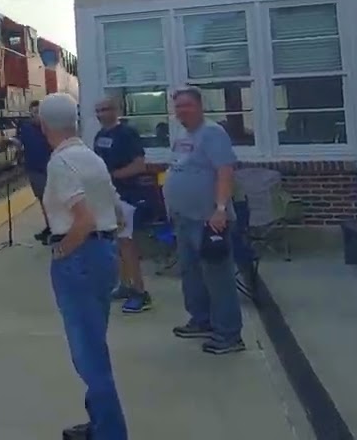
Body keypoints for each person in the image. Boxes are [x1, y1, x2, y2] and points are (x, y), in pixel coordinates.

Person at [37, 92, 129, 440]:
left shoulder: (61, 163)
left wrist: (61, 252)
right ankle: (100, 424)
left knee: (89, 358)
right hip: (104, 255)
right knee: (94, 347)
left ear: (44, 126)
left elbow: (84, 219)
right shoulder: (90, 156)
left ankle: (110, 433)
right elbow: (116, 212)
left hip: (80, 260)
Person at [162, 86, 245, 355]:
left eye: (187, 105)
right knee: (191, 273)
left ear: (200, 107)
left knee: (218, 276)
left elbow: (225, 171)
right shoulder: (183, 135)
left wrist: (220, 209)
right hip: (185, 218)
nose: (181, 111)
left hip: (209, 220)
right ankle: (202, 320)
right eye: (178, 106)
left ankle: (229, 334)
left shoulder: (212, 133)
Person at [92, 96, 153, 314]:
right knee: (118, 245)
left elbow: (139, 165)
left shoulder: (127, 134)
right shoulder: (100, 136)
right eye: (98, 110)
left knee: (128, 245)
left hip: (127, 196)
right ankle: (126, 285)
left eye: (105, 109)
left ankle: (140, 293)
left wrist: (112, 176)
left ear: (116, 110)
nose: (101, 114)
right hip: (109, 197)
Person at [17, 99, 55, 242]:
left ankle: (55, 229)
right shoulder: (25, 127)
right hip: (34, 169)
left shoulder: (49, 127)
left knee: (51, 202)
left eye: (38, 112)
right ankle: (50, 227)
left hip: (49, 169)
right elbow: (21, 142)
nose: (35, 115)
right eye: (33, 112)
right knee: (43, 201)